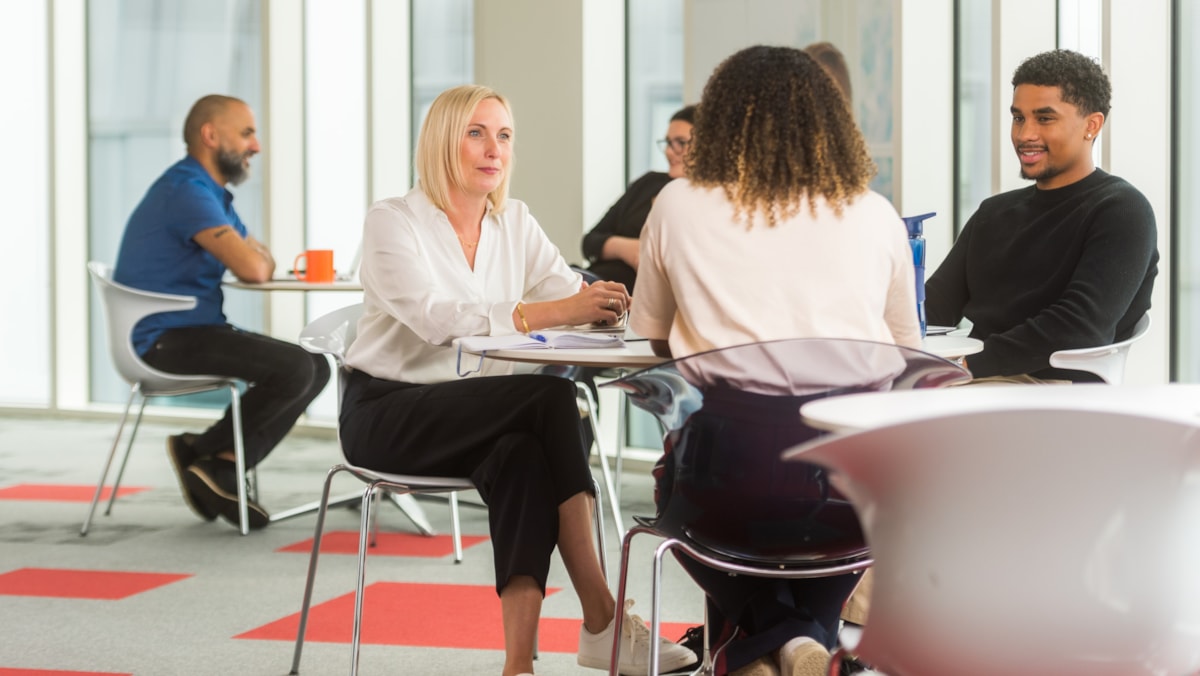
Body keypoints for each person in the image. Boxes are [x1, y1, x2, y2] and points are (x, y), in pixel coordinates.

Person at [337, 84, 695, 676]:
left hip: (487, 412)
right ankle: (601, 617)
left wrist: (609, 304)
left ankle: (516, 666)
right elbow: (437, 321)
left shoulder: (514, 222)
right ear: (441, 142)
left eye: (503, 135)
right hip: (389, 413)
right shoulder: (393, 221)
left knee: (524, 456)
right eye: (475, 133)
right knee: (554, 396)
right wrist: (557, 312)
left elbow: (568, 293)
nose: (493, 149)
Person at [631, 45, 920, 676]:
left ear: (725, 120)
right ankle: (799, 640)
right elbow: (903, 348)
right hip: (852, 482)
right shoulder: (876, 213)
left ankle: (769, 641)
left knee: (669, 491)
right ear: (831, 122)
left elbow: (650, 334)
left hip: (727, 474)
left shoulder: (677, 203)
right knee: (842, 533)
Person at [113, 94, 331, 530]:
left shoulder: (212, 195)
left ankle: (213, 456)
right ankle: (210, 460)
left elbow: (259, 255)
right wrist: (253, 253)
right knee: (294, 368)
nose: (257, 146)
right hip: (161, 338)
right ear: (211, 135)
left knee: (316, 366)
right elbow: (254, 265)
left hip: (193, 329)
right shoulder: (187, 191)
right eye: (247, 133)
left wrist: (253, 252)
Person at [925, 49, 1158, 382]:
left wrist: (961, 367)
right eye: (1019, 117)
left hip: (1053, 393)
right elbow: (933, 307)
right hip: (978, 384)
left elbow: (1079, 327)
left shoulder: (1121, 211)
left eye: (1044, 119)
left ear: (1091, 125)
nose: (1024, 135)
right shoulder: (994, 214)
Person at [581, 105, 696, 291]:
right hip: (591, 282)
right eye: (668, 142)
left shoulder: (707, 202)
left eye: (681, 143)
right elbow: (590, 242)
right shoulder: (647, 184)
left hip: (625, 297)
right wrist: (628, 249)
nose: (669, 151)